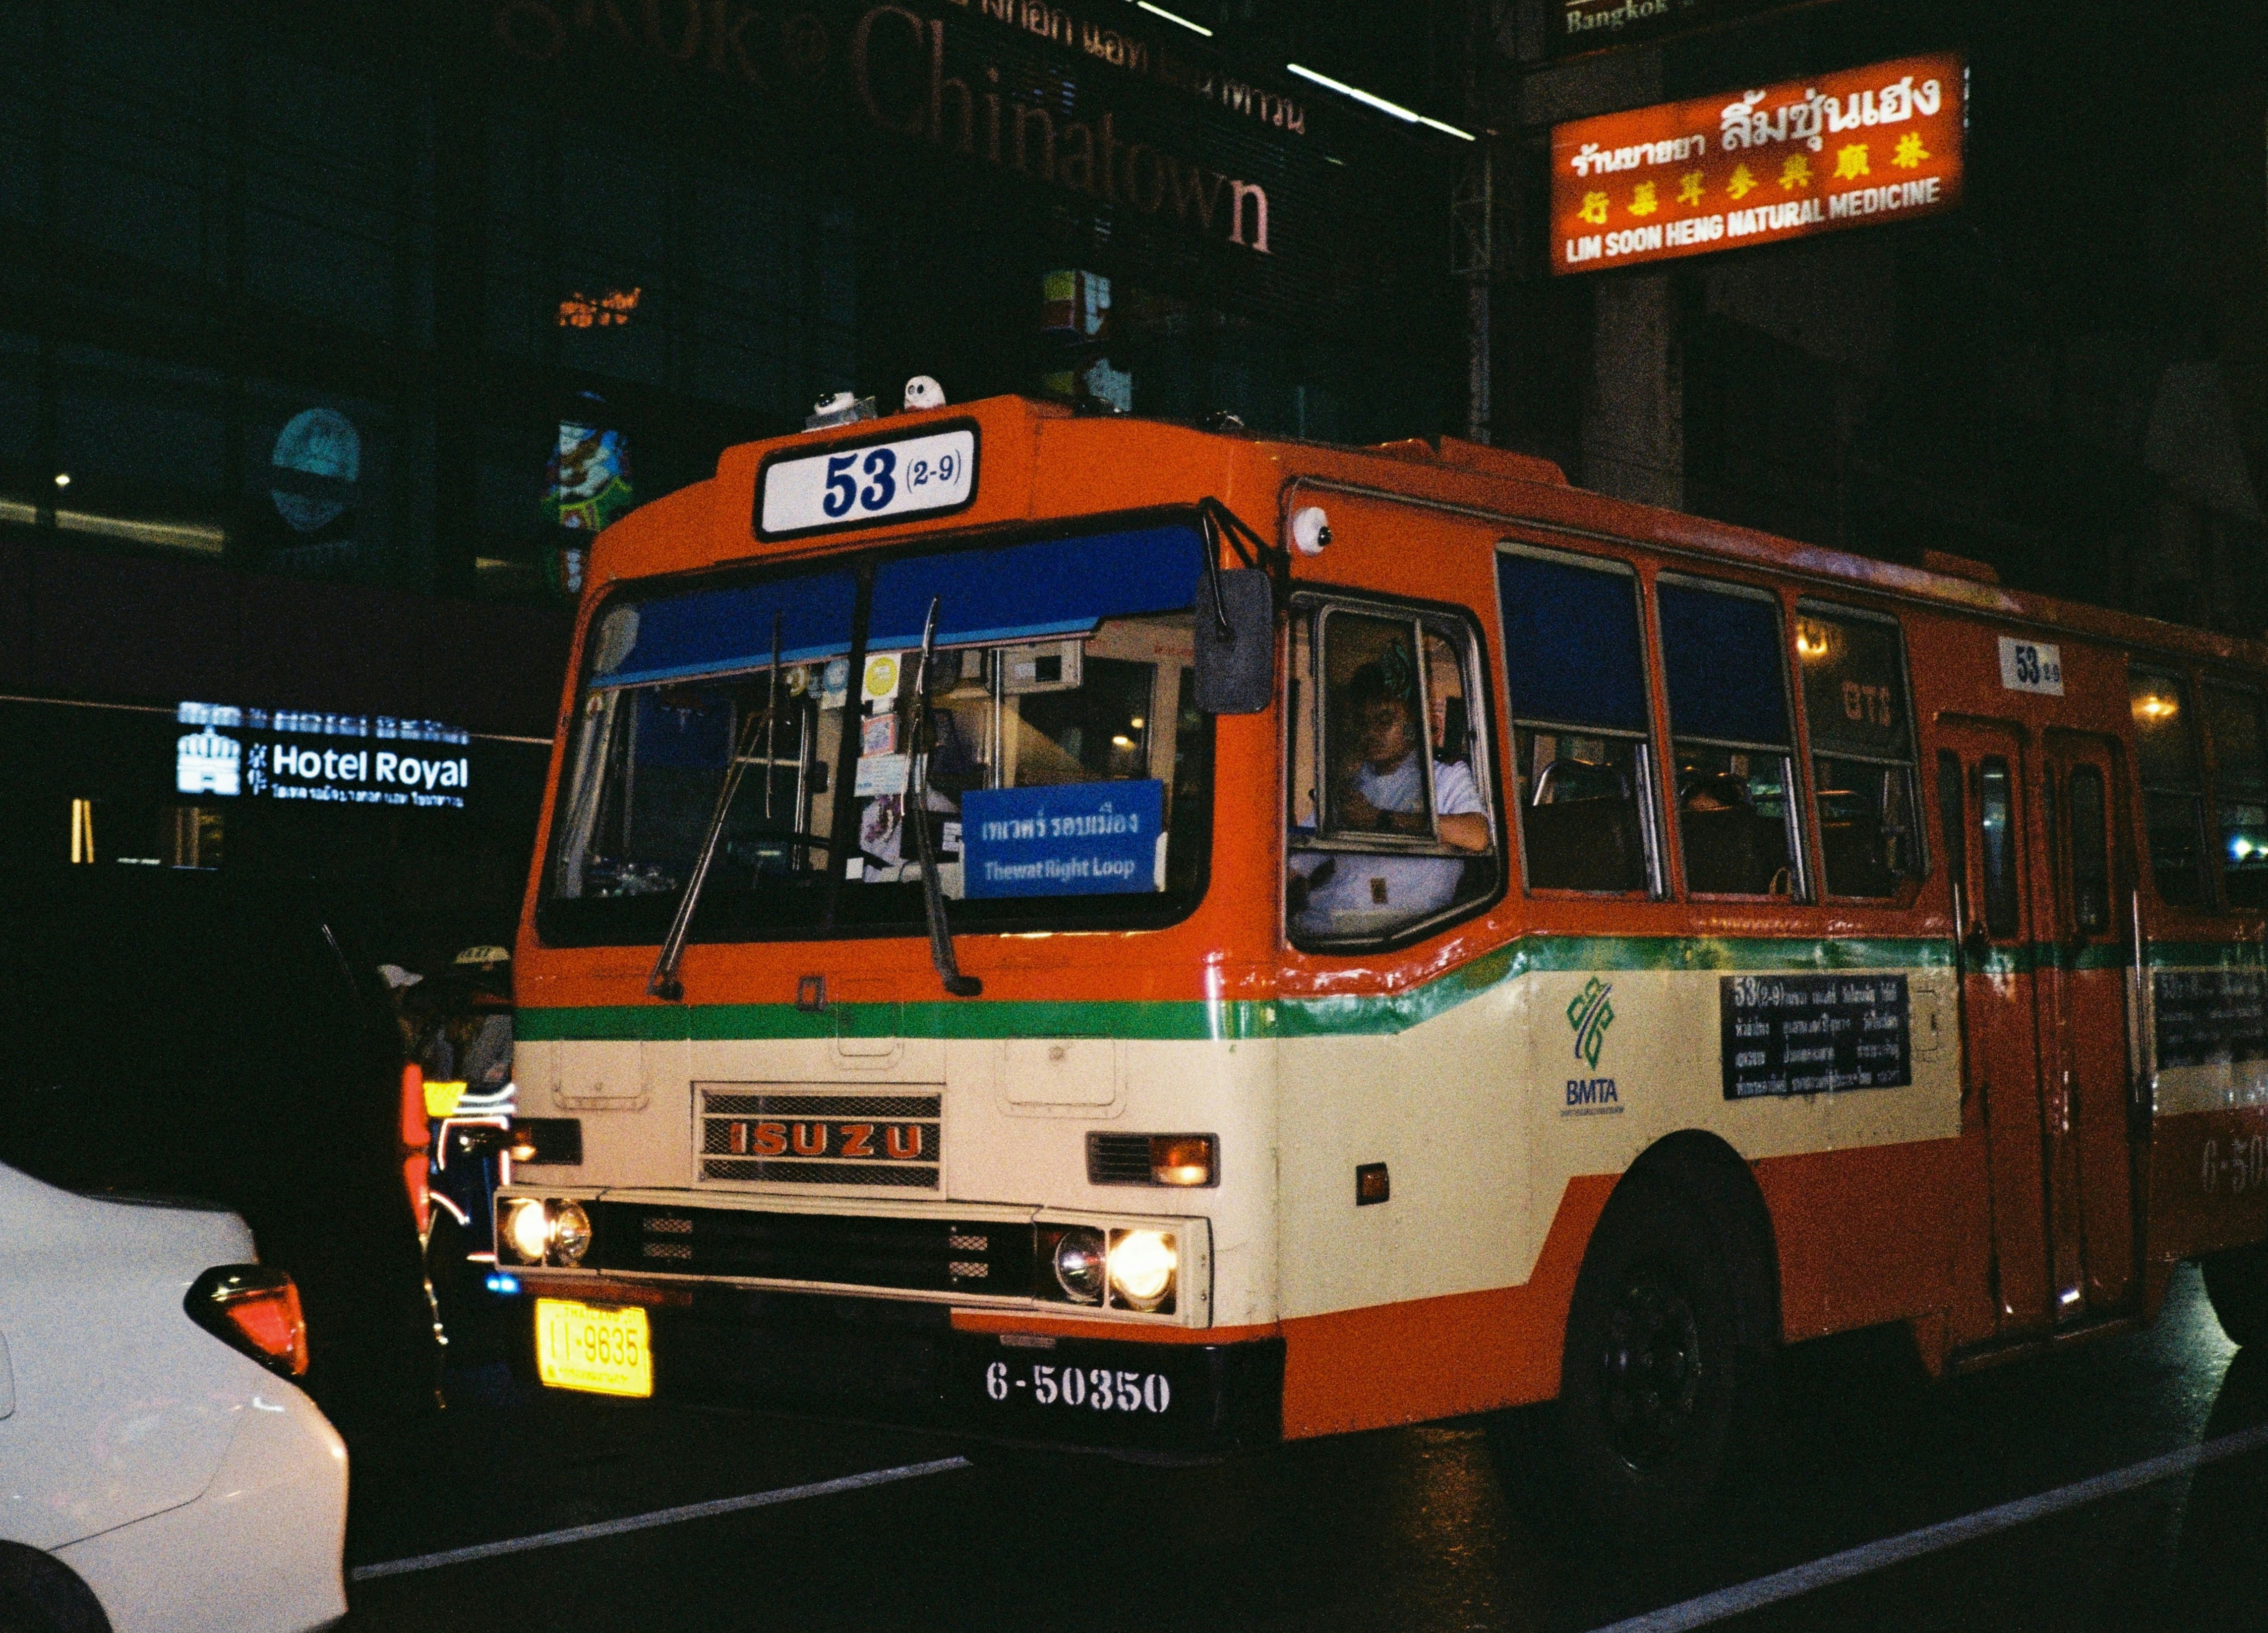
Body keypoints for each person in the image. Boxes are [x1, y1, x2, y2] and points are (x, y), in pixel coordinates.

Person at [1291, 660, 1487, 936]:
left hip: (1406, 932)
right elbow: (1299, 861)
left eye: (1384, 721)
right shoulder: (1354, 782)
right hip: (1330, 922)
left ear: (1412, 725)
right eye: (1363, 723)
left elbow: (1477, 835)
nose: (1371, 733)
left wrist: (1381, 819)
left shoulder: (1443, 777)